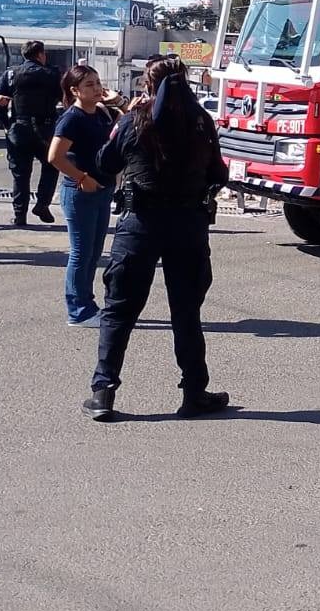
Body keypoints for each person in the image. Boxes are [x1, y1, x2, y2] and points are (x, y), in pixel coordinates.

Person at [83, 56, 230, 421]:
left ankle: (103, 394)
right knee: (186, 313)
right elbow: (219, 174)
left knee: (119, 310)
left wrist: (123, 118)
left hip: (140, 224)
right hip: (188, 225)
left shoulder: (134, 121)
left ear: (148, 86)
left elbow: (105, 163)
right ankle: (194, 393)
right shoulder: (201, 122)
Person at [48, 64, 118, 326]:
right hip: (79, 192)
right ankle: (78, 310)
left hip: (102, 190)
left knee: (94, 252)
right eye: (90, 85)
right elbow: (55, 157)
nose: (97, 88)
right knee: (81, 253)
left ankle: (88, 304)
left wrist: (119, 103)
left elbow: (120, 130)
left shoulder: (101, 113)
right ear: (75, 90)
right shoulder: (72, 118)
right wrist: (82, 178)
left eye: (98, 82)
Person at [0, 40, 62, 227]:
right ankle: (42, 204)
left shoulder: (10, 74)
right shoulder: (52, 74)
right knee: (51, 166)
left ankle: (19, 215)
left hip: (19, 127)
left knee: (20, 174)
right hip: (45, 129)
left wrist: (7, 125)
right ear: (40, 55)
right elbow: (64, 99)